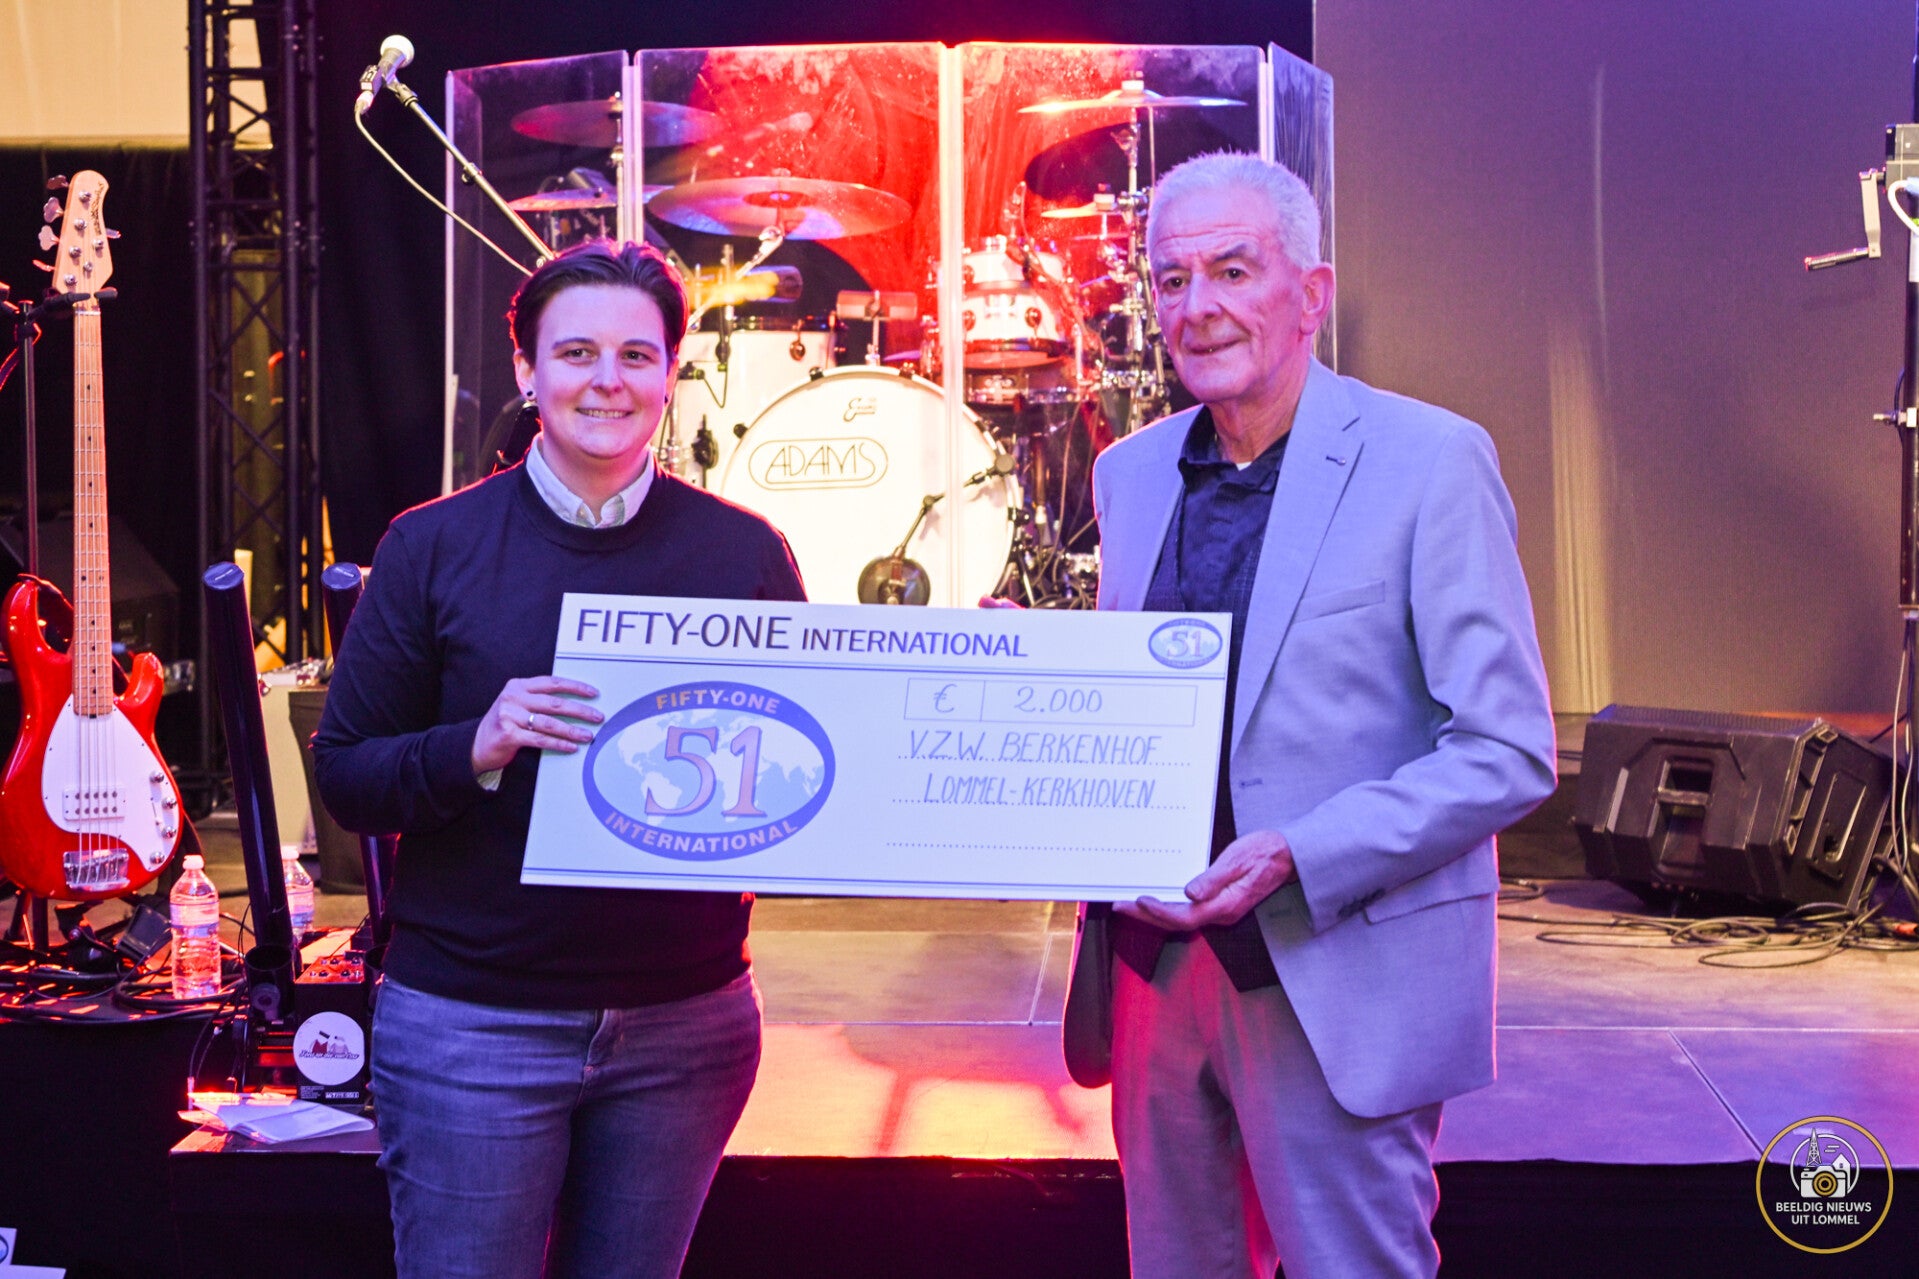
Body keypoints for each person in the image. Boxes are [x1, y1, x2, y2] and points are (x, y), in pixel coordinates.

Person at [1062, 153, 1556, 1277]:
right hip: (1150, 972)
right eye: (1171, 279)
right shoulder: (1130, 474)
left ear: (1312, 293)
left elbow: (1506, 749)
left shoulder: (1430, 460)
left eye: (1232, 270)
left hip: (1332, 965)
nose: (1197, 305)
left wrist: (1302, 850)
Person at [313, 240, 805, 1279]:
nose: (606, 380)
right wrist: (477, 743)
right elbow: (349, 774)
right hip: (472, 1026)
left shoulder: (745, 550)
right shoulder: (431, 546)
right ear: (526, 371)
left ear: (670, 373)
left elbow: (806, 762)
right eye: (576, 352)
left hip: (686, 1024)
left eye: (636, 355)